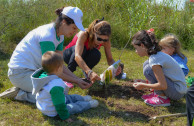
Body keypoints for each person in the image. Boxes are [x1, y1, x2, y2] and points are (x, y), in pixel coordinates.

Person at [0, 6, 90, 103]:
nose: (75, 32)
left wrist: (77, 79)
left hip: (34, 72)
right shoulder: (48, 36)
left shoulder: (60, 36)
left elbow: (59, 65)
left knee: (61, 89)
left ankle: (27, 89)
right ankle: (21, 94)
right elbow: (54, 70)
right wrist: (76, 81)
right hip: (20, 74)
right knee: (56, 94)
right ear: (64, 22)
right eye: (74, 28)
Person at [31, 51, 98, 122]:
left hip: (46, 104)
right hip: (53, 109)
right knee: (74, 107)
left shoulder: (43, 77)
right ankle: (89, 104)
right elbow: (59, 105)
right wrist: (65, 117)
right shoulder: (55, 85)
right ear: (58, 68)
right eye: (62, 66)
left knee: (72, 97)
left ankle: (83, 99)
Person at [132, 29, 187, 107]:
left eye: (136, 48)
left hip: (177, 92)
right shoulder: (156, 55)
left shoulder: (154, 60)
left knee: (148, 70)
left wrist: (143, 85)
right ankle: (157, 94)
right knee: (146, 65)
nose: (135, 51)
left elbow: (163, 85)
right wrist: (146, 82)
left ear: (142, 46)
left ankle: (162, 98)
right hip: (175, 88)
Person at [63, 18, 122, 83]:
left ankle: (87, 76)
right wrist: (90, 72)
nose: (101, 42)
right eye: (99, 39)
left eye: (105, 40)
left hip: (83, 56)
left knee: (96, 54)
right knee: (83, 49)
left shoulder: (106, 41)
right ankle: (67, 76)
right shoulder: (84, 34)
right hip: (69, 55)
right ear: (94, 32)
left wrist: (115, 67)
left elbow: (110, 60)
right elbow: (77, 56)